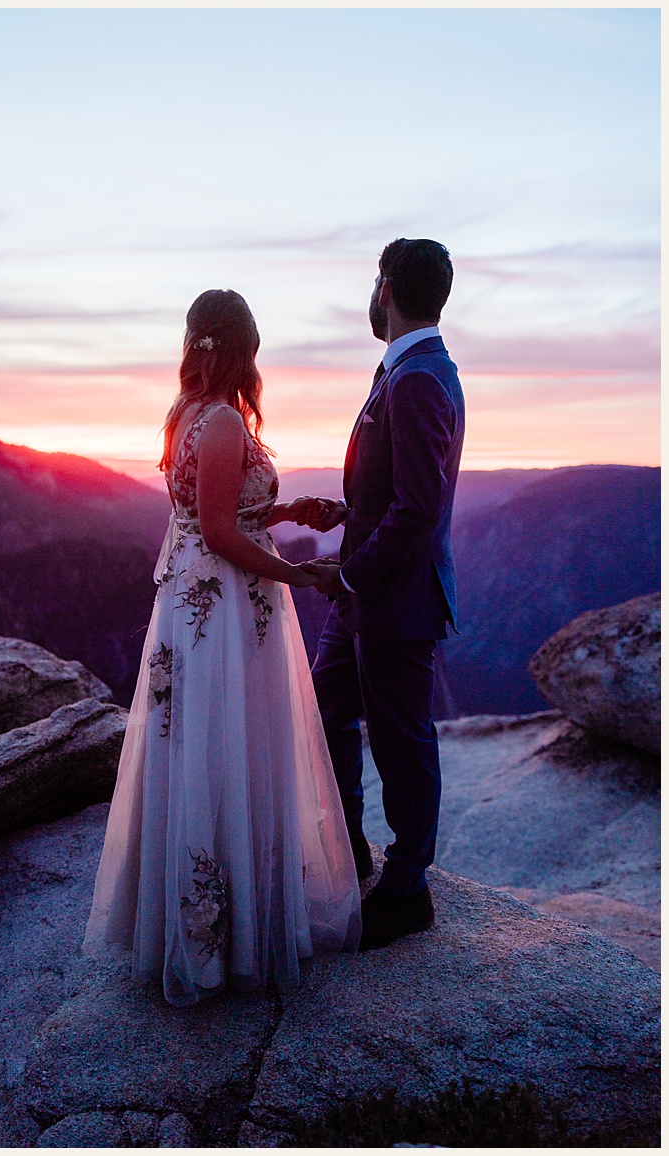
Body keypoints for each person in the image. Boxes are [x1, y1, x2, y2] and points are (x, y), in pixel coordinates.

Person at [83, 289, 365, 1007]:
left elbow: (217, 510)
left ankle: (216, 916)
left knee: (207, 751)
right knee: (226, 748)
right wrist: (302, 575)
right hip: (226, 610)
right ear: (245, 347)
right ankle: (221, 937)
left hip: (199, 602)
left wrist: (289, 510)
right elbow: (219, 533)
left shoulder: (189, 416)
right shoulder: (222, 423)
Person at [298, 238, 467, 950]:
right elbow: (394, 491)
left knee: (403, 740)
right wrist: (345, 514)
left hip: (392, 600)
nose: (370, 297)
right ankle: (349, 849)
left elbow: (420, 507)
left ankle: (407, 887)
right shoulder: (401, 368)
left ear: (389, 289)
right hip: (365, 594)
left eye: (374, 284)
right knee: (327, 706)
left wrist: (348, 571)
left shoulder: (420, 377)